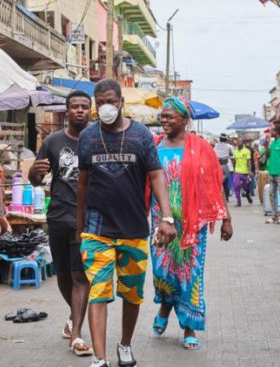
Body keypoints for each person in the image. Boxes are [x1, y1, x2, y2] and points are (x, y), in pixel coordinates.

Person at [76, 79, 176, 367]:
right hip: (96, 230)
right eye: (100, 102)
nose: (105, 107)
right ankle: (99, 358)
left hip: (133, 229)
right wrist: (79, 227)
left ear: (121, 102)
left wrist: (166, 217)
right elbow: (82, 184)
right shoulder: (88, 137)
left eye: (110, 101)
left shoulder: (141, 135)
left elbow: (157, 176)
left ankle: (125, 344)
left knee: (132, 293)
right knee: (99, 290)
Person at [150, 97, 232, 350]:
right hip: (160, 221)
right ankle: (165, 307)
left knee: (190, 276)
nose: (164, 120)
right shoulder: (153, 146)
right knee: (163, 273)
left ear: (185, 120)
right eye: (162, 116)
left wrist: (226, 219)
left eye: (170, 117)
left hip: (192, 224)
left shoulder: (201, 148)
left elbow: (214, 186)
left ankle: (189, 327)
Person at [29, 90, 93, 357]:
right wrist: (35, 171)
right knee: (64, 275)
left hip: (88, 219)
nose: (80, 110)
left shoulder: (97, 139)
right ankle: (73, 315)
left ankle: (76, 333)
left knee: (81, 276)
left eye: (84, 107)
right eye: (75, 106)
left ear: (91, 111)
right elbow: (35, 178)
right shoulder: (53, 141)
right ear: (67, 111)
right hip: (58, 215)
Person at [214, 134, 234, 201]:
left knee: (218, 181)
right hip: (225, 165)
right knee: (226, 182)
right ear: (226, 139)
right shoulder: (229, 146)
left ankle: (219, 197)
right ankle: (226, 197)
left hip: (217, 165)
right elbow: (232, 155)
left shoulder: (216, 146)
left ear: (220, 139)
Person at [232, 140, 253, 207]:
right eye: (237, 142)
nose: (238, 143)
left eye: (240, 142)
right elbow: (234, 161)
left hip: (245, 172)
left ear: (242, 143)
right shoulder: (235, 151)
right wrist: (233, 170)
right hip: (237, 171)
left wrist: (249, 171)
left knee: (246, 187)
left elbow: (249, 162)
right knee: (236, 186)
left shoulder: (246, 151)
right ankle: (238, 202)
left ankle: (247, 194)